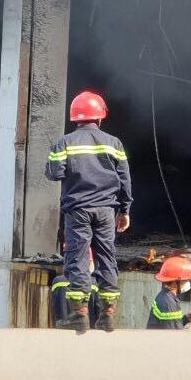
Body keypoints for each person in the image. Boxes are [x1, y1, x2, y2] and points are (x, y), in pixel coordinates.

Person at [46, 90, 132, 333]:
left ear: (75, 117)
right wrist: (124, 210)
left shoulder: (64, 143)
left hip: (78, 210)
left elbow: (55, 173)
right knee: (107, 257)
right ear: (100, 117)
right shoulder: (115, 144)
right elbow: (125, 180)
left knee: (78, 257)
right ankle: (108, 315)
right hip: (107, 210)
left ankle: (80, 314)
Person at [148, 256, 191, 330]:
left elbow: (169, 323)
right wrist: (188, 331)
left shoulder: (166, 296)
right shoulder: (169, 304)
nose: (188, 283)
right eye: (185, 281)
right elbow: (173, 336)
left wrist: (186, 319)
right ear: (174, 282)